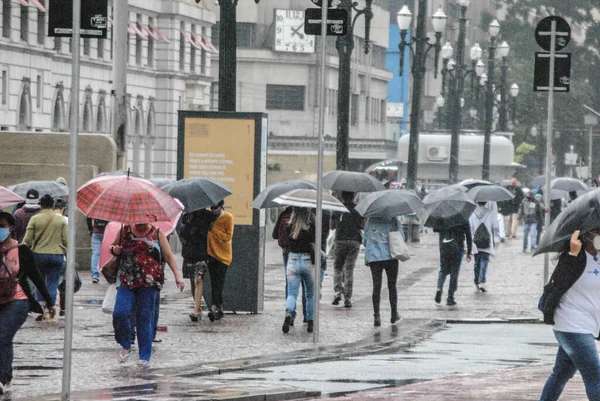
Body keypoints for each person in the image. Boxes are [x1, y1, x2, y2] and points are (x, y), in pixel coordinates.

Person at [110, 222, 184, 366]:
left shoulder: (157, 233)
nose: (141, 223)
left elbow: (168, 255)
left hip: (149, 282)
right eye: (138, 219)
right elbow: (112, 247)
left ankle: (144, 356)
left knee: (144, 318)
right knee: (119, 312)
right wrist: (115, 249)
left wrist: (177, 276)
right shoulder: (124, 230)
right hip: (127, 280)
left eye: (144, 219)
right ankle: (126, 345)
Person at [538, 229, 600, 400]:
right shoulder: (574, 258)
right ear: (587, 235)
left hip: (589, 324)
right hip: (571, 324)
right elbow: (556, 283)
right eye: (597, 233)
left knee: (560, 375)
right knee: (595, 378)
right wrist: (572, 255)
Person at [0, 211, 56, 394]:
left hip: (17, 300)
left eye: (2, 226)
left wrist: (49, 302)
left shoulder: (22, 250)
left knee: (3, 336)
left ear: (10, 228)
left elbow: (36, 277)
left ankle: (3, 378)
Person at [22, 194, 67, 311]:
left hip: (38, 254)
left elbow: (27, 240)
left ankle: (41, 306)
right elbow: (66, 240)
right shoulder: (60, 219)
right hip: (57, 254)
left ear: (40, 205)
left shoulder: (35, 219)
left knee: (39, 281)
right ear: (53, 205)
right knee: (53, 282)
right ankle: (50, 308)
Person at [178, 209, 216, 322]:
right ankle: (197, 306)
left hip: (202, 253)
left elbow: (208, 233)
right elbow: (183, 235)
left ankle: (197, 310)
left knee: (198, 279)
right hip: (189, 254)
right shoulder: (187, 216)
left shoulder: (208, 216)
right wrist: (188, 221)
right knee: (192, 281)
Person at [282, 207, 315, 334]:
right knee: (310, 294)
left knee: (292, 294)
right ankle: (310, 322)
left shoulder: (288, 227)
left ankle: (289, 314)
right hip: (307, 261)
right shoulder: (310, 227)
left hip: (293, 260)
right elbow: (314, 242)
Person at [363, 216, 400, 326]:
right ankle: (394, 314)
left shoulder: (370, 220)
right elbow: (401, 237)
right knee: (392, 286)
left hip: (375, 258)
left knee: (376, 286)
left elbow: (365, 240)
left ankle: (377, 315)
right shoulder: (393, 219)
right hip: (391, 257)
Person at [330, 191, 363, 308]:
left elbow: (332, 226)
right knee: (349, 270)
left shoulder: (337, 209)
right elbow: (362, 225)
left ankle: (338, 292)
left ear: (342, 197)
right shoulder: (358, 209)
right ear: (353, 197)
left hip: (339, 241)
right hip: (354, 241)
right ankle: (348, 298)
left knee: (337, 268)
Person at [206, 200, 234, 322]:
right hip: (211, 253)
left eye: (216, 207)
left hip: (223, 256)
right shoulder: (208, 217)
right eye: (212, 208)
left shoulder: (228, 217)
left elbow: (228, 236)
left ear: (221, 206)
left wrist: (214, 229)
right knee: (214, 282)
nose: (213, 210)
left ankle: (216, 307)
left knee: (219, 282)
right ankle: (216, 308)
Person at [434, 222, 473, 306]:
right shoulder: (462, 216)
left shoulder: (442, 215)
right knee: (454, 271)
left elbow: (435, 229)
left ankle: (439, 288)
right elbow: (468, 235)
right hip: (458, 247)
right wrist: (469, 251)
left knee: (443, 269)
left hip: (444, 245)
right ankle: (450, 297)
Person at [469, 201, 499, 292]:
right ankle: (482, 281)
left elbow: (470, 227)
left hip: (476, 241)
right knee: (484, 260)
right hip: (487, 240)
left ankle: (476, 281)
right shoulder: (490, 212)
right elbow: (495, 226)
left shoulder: (472, 212)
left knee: (476, 262)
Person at [87, 218, 108, 284]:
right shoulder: (109, 208)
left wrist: (91, 230)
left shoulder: (95, 208)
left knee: (96, 253)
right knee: (109, 253)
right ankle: (110, 274)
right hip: (108, 231)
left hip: (96, 232)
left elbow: (88, 219)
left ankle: (95, 276)